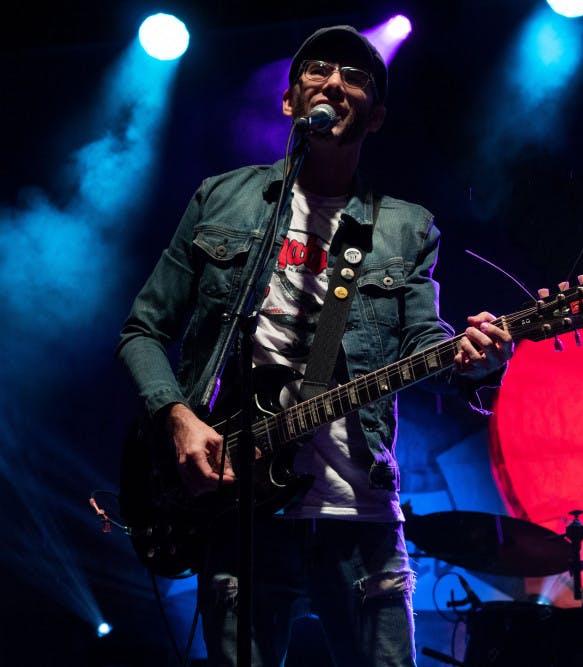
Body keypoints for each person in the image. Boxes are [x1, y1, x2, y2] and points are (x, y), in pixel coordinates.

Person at [116, 25, 513, 667]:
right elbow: (142, 331)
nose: (333, 81)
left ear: (376, 115)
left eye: (354, 76)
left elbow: (423, 346)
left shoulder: (403, 227)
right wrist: (177, 416)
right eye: (318, 69)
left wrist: (476, 360)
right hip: (237, 512)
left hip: (357, 514)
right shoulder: (222, 199)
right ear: (289, 99)